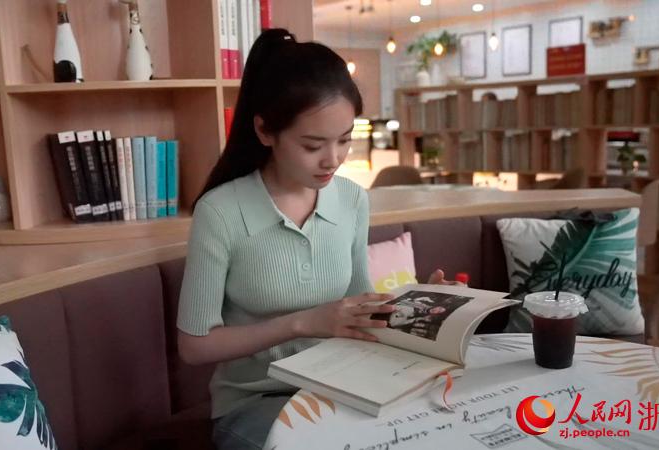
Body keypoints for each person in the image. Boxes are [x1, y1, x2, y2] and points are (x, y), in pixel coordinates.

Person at [177, 29, 456, 450]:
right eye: (313, 145)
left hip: (346, 388)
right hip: (257, 402)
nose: (333, 160)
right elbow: (194, 346)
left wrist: (424, 305)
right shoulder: (220, 212)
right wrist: (301, 322)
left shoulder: (352, 200)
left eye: (345, 139)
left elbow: (360, 309)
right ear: (265, 131)